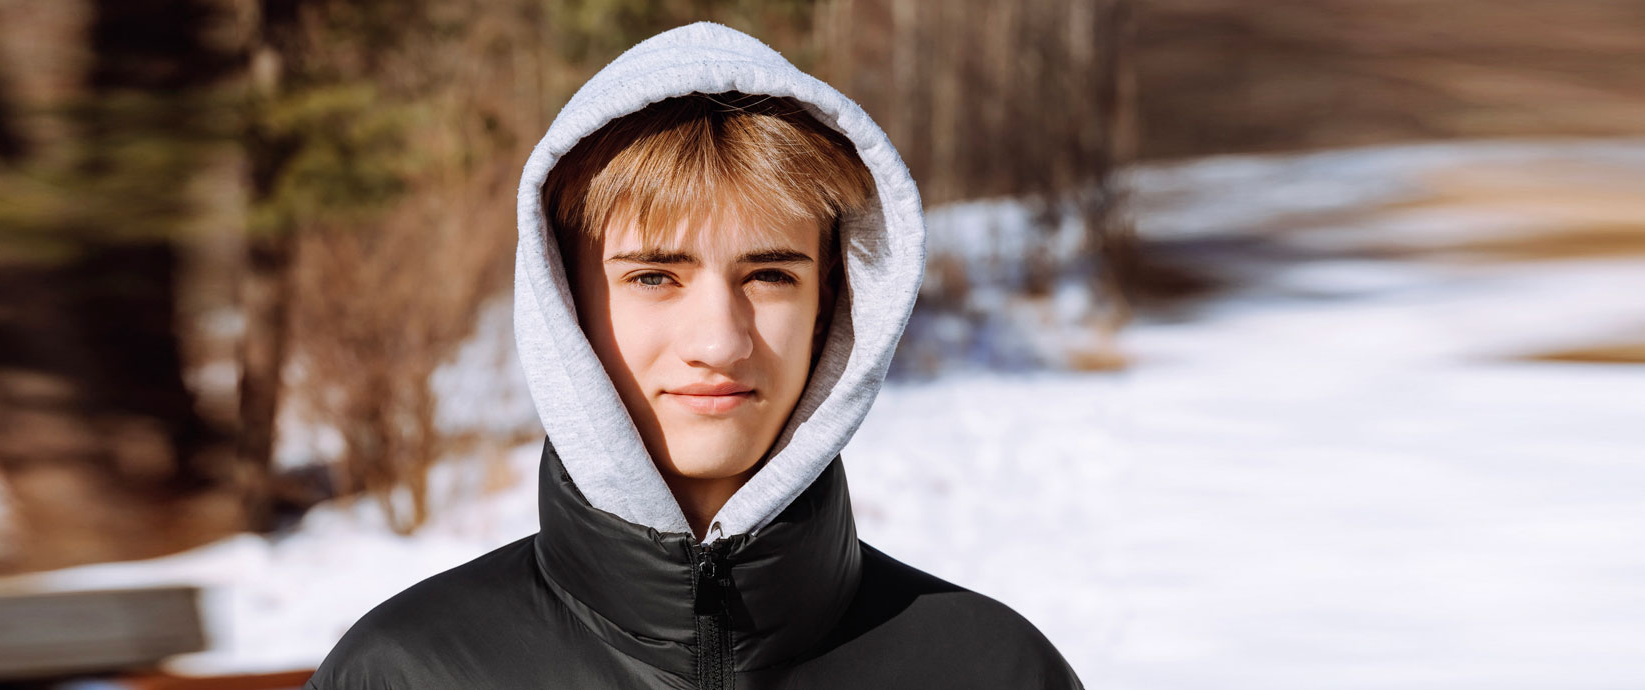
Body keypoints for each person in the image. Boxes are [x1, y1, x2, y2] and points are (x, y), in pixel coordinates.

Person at [305, 21, 1083, 689]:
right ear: (563, 303)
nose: (719, 341)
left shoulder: (991, 669)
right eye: (653, 276)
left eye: (771, 275)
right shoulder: (405, 673)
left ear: (833, 307)